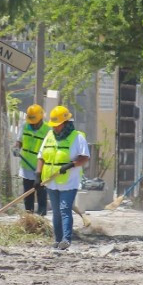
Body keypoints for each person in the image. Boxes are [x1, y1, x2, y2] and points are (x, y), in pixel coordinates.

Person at [36, 105, 90, 250]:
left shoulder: (77, 137)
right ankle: (58, 239)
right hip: (51, 181)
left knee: (65, 209)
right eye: (53, 125)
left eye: (57, 125)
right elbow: (41, 157)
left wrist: (71, 165)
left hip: (69, 181)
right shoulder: (49, 136)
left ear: (65, 123)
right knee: (56, 211)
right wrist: (37, 175)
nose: (55, 128)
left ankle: (66, 240)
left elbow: (84, 158)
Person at [14, 104, 50, 215]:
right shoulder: (25, 126)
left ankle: (41, 218)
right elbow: (19, 141)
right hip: (26, 167)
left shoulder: (48, 130)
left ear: (41, 118)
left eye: (35, 122)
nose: (33, 124)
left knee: (41, 193)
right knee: (27, 194)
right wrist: (16, 147)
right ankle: (28, 218)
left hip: (41, 168)